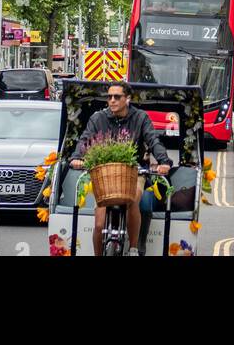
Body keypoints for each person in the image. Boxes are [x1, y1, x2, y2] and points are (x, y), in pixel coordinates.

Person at [69, 81, 173, 256]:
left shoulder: (140, 118)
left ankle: (133, 249)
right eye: (109, 97)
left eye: (117, 97)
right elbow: (85, 140)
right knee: (99, 224)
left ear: (128, 99)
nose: (112, 100)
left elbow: (153, 140)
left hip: (133, 172)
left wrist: (164, 162)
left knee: (132, 199)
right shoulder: (98, 118)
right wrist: (77, 158)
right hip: (104, 174)